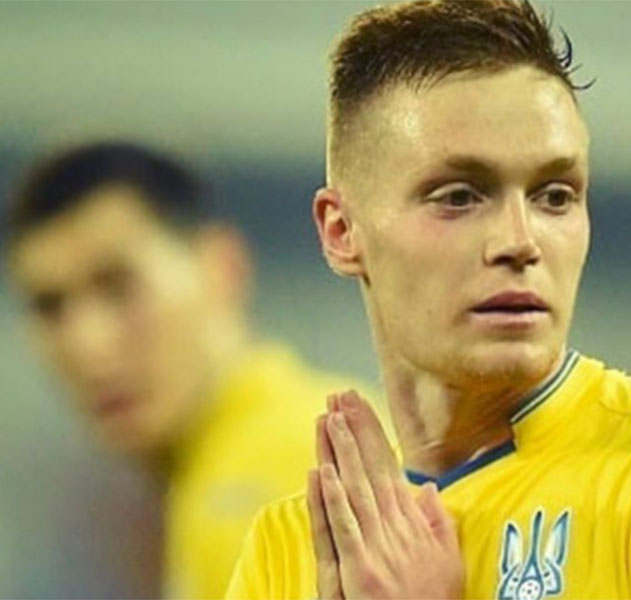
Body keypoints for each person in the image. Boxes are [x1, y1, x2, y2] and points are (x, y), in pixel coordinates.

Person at [226, 1, 631, 598]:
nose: (519, 241)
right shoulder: (289, 549)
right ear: (341, 231)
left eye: (555, 196)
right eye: (459, 197)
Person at [4, 141, 375, 599]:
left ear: (221, 267)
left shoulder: (264, 484)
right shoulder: (296, 434)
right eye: (51, 307)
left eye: (119, 288)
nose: (89, 345)